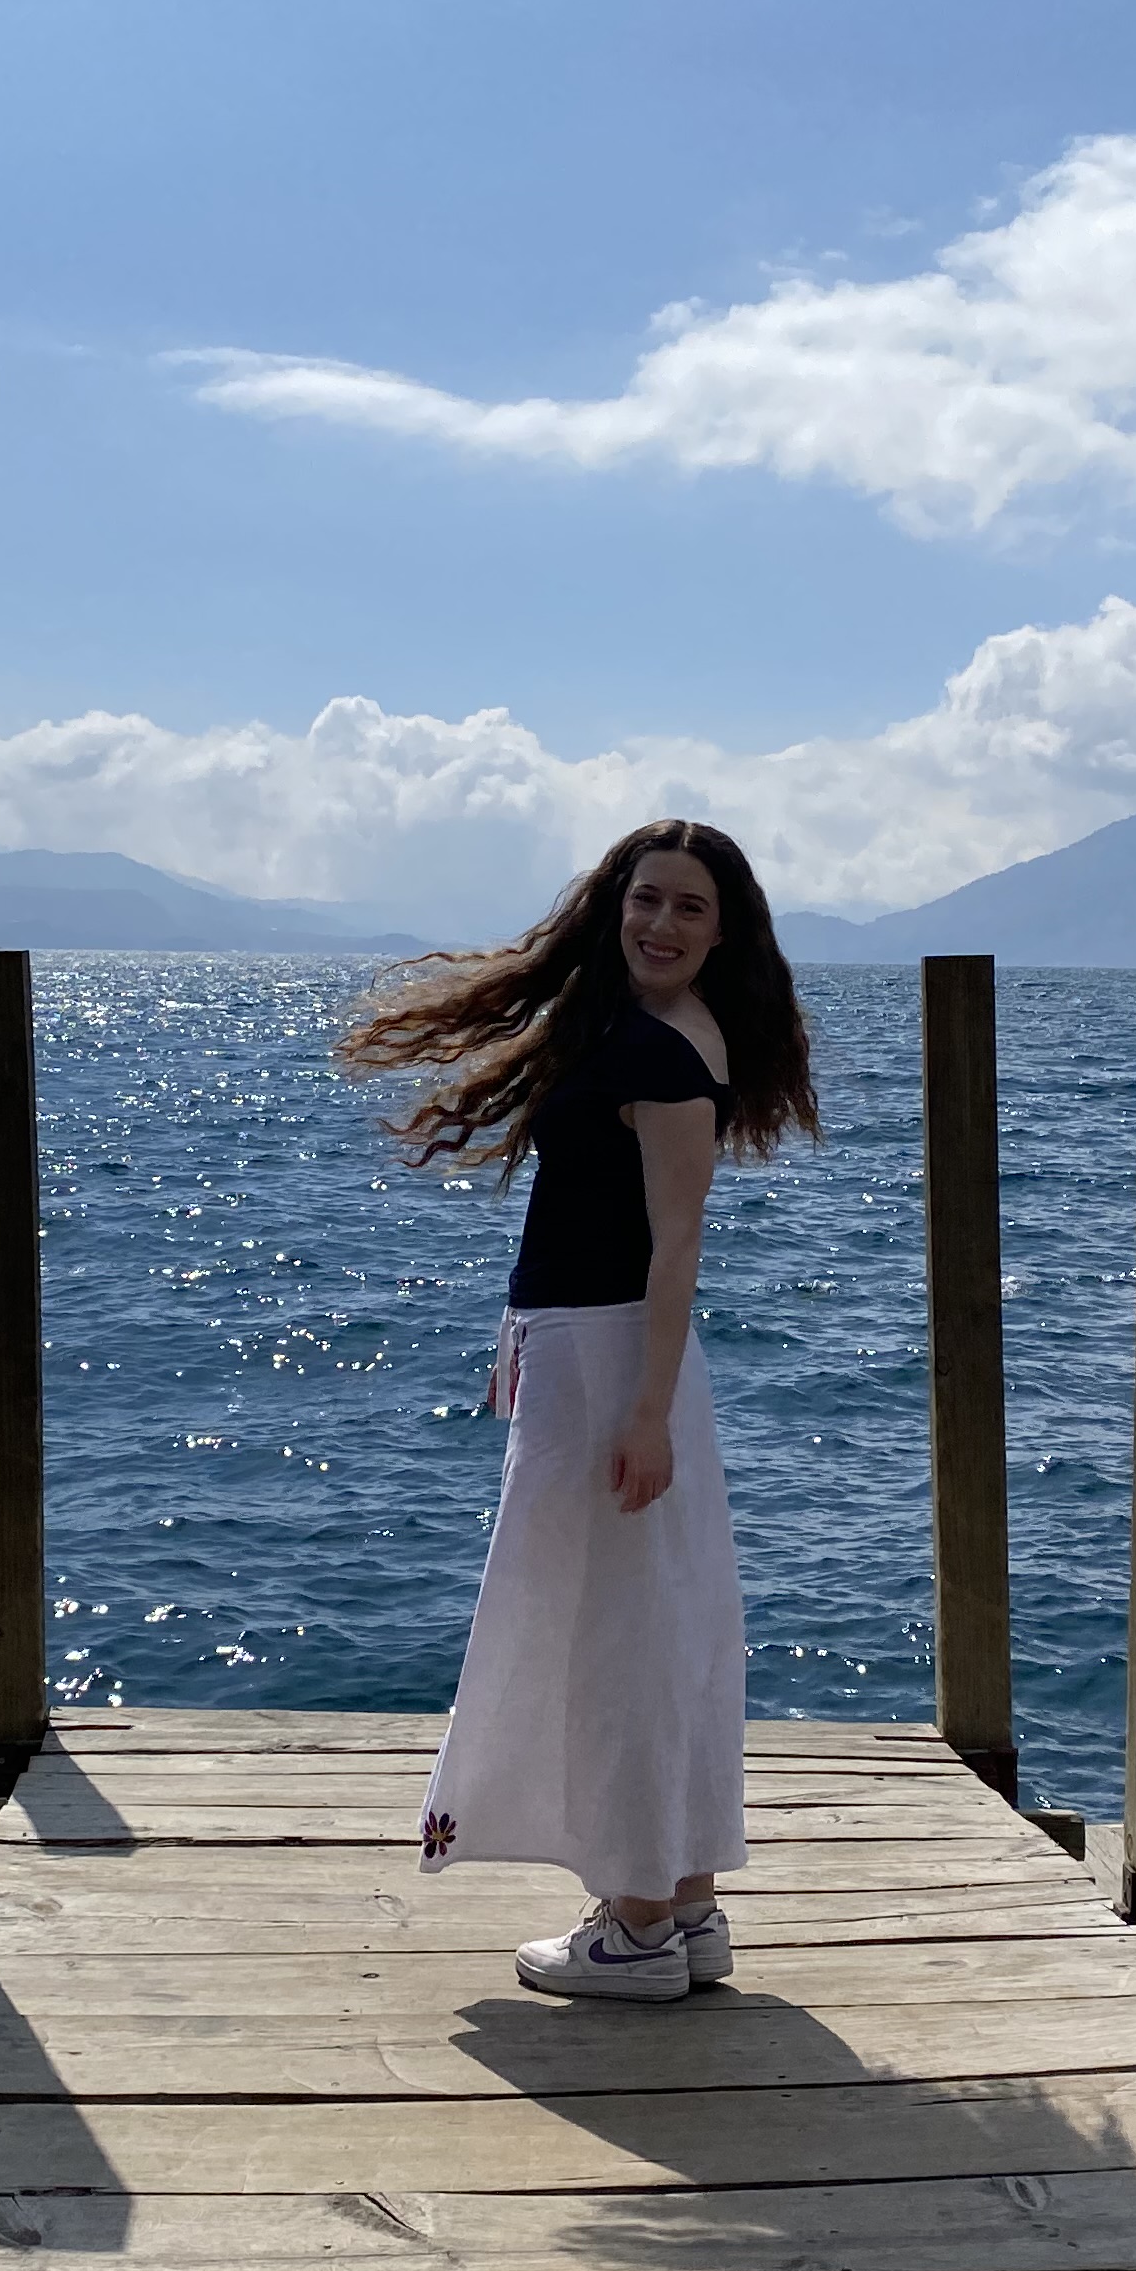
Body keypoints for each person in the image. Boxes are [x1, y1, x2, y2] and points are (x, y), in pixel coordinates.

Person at [336, 819, 820, 2002]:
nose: (661, 923)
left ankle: (638, 1929)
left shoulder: (663, 1054)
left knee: (606, 1632)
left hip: (614, 1365)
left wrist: (644, 1413)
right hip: (604, 1358)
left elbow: (677, 1244)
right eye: (647, 898)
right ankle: (684, 1904)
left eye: (690, 907)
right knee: (652, 1620)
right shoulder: (654, 1029)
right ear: (615, 904)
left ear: (726, 931)